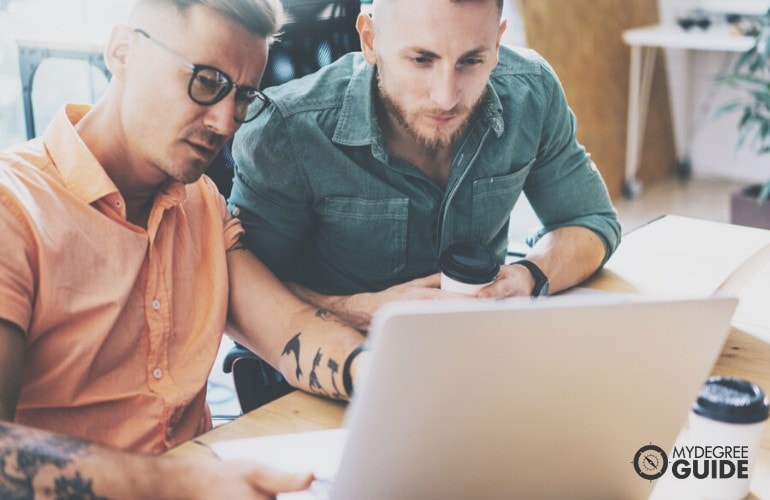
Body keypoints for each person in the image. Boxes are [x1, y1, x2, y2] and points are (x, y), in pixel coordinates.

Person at [0, 0, 367, 497]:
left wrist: (377, 374)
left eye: (242, 97)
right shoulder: (13, 209)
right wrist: (177, 483)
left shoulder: (200, 203)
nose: (225, 123)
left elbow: (288, 329)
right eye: (207, 81)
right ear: (122, 50)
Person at [229, 0, 622, 331]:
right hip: (338, 367)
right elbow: (241, 291)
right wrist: (364, 311)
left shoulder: (531, 93)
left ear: (498, 43)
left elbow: (592, 221)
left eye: (471, 60)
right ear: (370, 39)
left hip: (481, 356)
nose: (446, 97)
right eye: (422, 59)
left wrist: (527, 277)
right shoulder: (287, 132)